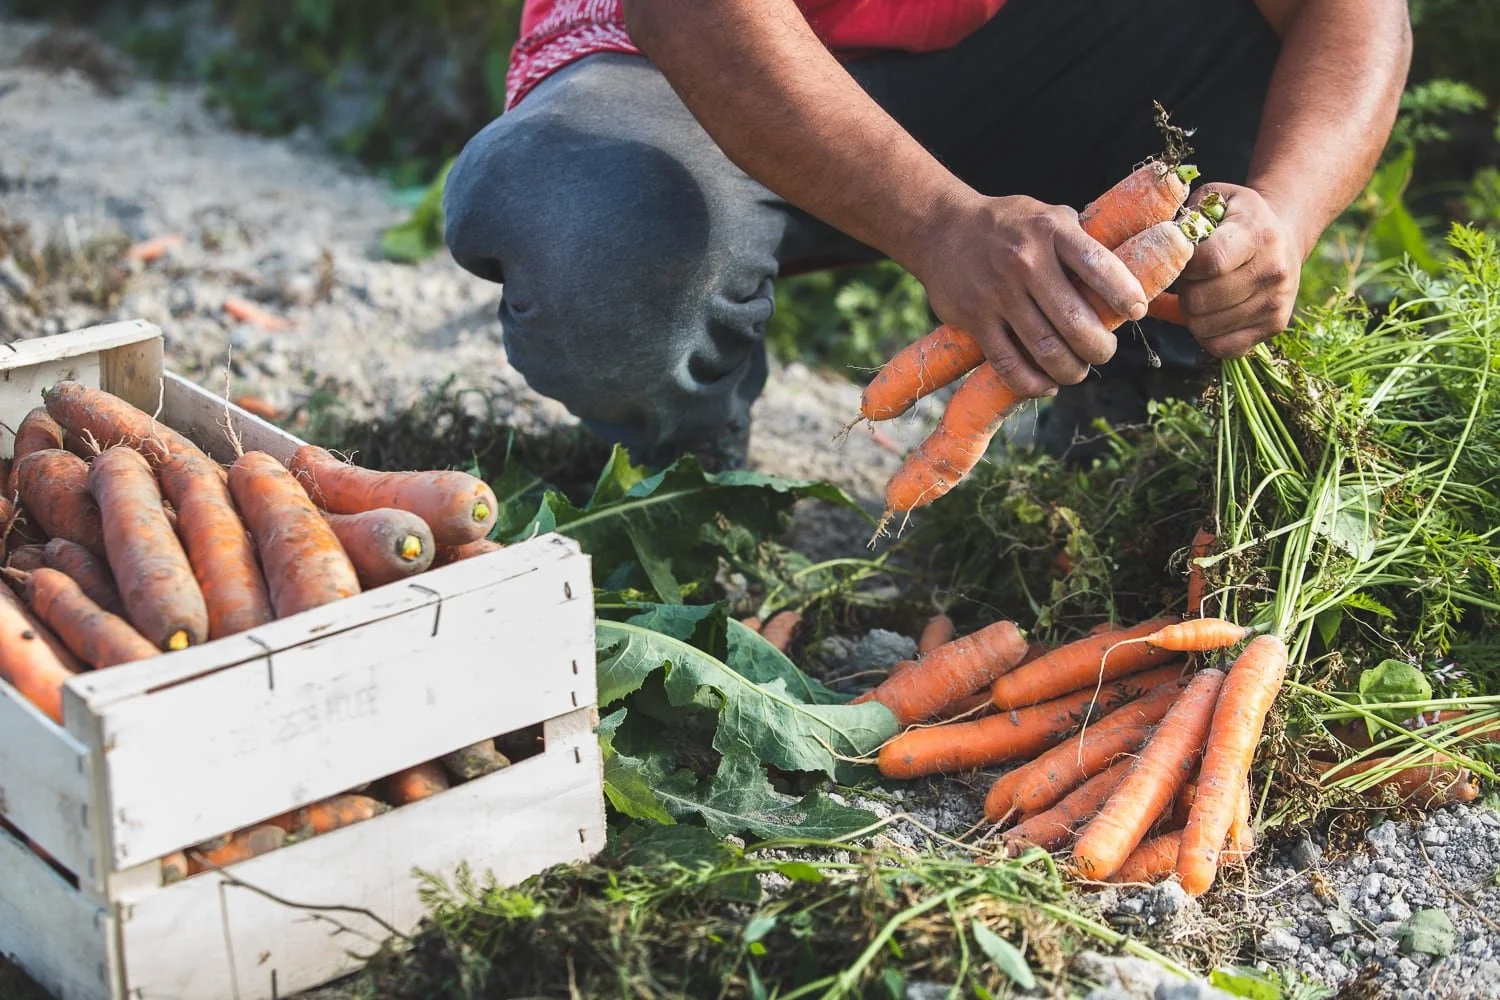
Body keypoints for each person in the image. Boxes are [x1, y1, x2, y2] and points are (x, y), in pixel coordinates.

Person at [443, 0, 1411, 471]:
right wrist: (940, 224)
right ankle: (684, 484)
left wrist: (1284, 207)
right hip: (688, 62)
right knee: (597, 237)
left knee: (1234, 36)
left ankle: (1121, 428)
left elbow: (1356, 12)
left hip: (1017, 43)